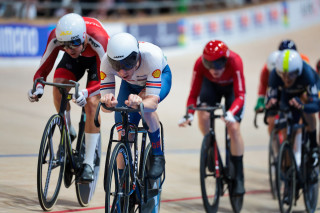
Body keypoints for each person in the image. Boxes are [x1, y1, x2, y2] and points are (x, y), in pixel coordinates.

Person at [28, 13, 109, 182]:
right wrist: (38, 86)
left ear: (84, 37)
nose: (69, 48)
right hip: (75, 61)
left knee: (92, 102)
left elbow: (106, 80)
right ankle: (69, 130)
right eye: (64, 45)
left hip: (96, 61)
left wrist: (86, 93)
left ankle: (87, 163)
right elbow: (42, 70)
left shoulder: (100, 38)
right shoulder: (58, 39)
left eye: (74, 43)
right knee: (59, 85)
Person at [100, 32, 172, 179]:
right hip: (130, 86)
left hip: (159, 80)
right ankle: (123, 185)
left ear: (136, 56)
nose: (122, 72)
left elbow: (152, 102)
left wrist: (140, 102)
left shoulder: (152, 56)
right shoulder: (105, 61)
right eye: (116, 66)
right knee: (124, 135)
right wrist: (107, 101)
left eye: (127, 64)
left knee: (144, 109)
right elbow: (104, 109)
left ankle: (158, 155)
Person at [178, 40, 246, 195]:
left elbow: (241, 95)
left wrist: (231, 113)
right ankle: (210, 147)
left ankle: (239, 176)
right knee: (203, 113)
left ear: (226, 60)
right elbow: (193, 94)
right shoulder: (199, 64)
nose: (214, 69)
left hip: (232, 92)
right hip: (211, 88)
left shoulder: (235, 61)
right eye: (209, 65)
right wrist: (189, 113)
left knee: (233, 127)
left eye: (218, 65)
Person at [266, 49, 319, 181]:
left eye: (290, 75)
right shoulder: (274, 75)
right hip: (287, 95)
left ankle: (312, 147)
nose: (286, 78)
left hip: (304, 93)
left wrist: (302, 106)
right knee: (286, 128)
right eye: (283, 75)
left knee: (307, 110)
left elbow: (316, 105)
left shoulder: (307, 74)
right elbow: (271, 99)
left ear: (298, 72)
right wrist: (270, 103)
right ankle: (289, 166)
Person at [255, 39, 310, 133]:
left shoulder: (303, 60)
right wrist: (260, 102)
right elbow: (264, 85)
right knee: (272, 116)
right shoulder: (269, 66)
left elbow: (307, 80)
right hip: (281, 89)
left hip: (297, 88)